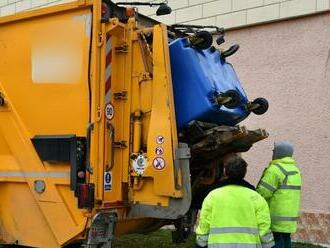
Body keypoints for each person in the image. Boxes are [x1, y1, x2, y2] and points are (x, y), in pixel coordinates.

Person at [196, 154, 274, 248]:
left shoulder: (213, 196)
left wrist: (201, 244)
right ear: (244, 172)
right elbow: (264, 227)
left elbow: (204, 225)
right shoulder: (256, 198)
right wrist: (269, 245)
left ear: (226, 172)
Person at [257, 141, 302, 248]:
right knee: (286, 240)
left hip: (275, 218)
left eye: (274, 150)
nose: (273, 152)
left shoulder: (275, 170)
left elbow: (263, 192)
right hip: (289, 218)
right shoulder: (295, 170)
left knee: (276, 242)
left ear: (279, 152)